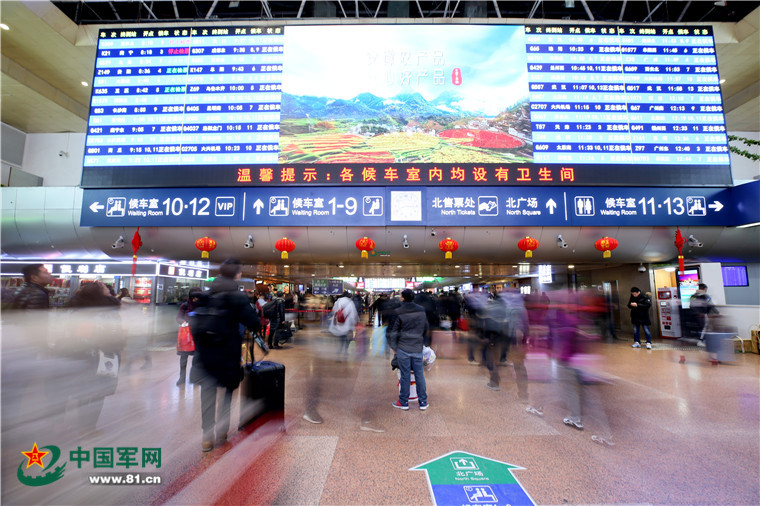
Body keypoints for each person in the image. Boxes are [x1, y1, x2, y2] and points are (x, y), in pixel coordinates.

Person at [191, 259, 261, 452]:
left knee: (207, 394)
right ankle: (222, 432)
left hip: (204, 355)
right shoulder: (237, 297)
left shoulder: (206, 294)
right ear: (237, 274)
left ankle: (207, 437)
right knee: (227, 393)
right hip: (227, 355)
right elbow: (254, 323)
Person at [388, 289, 429, 411]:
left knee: (405, 375)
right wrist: (421, 341)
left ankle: (403, 402)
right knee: (419, 375)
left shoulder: (399, 311)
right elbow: (426, 328)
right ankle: (423, 402)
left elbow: (394, 332)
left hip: (403, 347)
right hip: (417, 347)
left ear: (403, 298)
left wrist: (394, 347)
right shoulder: (421, 310)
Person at [175, 288, 201, 386]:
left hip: (197, 335)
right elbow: (178, 318)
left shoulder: (202, 305)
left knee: (197, 358)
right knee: (183, 357)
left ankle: (195, 377)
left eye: (198, 297)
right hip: (186, 334)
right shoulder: (185, 305)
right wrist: (183, 321)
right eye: (194, 297)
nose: (196, 299)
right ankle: (182, 378)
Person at [328, 291, 359, 357]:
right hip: (347, 324)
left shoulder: (338, 301)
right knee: (348, 338)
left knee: (341, 338)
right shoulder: (350, 302)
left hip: (339, 323)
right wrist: (355, 322)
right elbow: (353, 314)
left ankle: (339, 350)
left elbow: (334, 311)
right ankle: (345, 351)